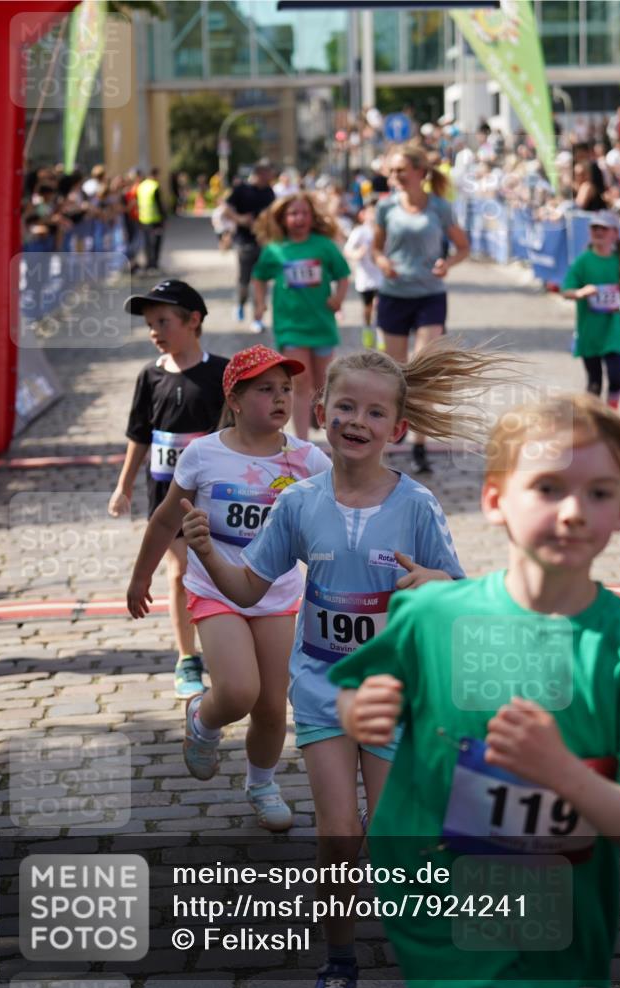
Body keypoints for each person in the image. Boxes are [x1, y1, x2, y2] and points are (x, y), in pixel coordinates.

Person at [180, 344, 510, 988]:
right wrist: (206, 554)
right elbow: (247, 590)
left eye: (375, 412)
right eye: (347, 407)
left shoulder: (414, 506)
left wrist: (434, 580)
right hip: (321, 686)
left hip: (389, 692)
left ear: (398, 430)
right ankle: (339, 962)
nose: (357, 420)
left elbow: (460, 589)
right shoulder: (298, 503)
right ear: (324, 413)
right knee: (338, 833)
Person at [333, 393, 620, 988]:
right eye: (549, 487)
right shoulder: (429, 614)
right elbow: (359, 689)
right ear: (495, 499)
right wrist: (359, 711)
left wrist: (564, 775)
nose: (575, 510)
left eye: (600, 492)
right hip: (436, 909)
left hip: (558, 923)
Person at [127, 345, 330, 830]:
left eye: (285, 389)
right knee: (238, 691)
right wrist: (141, 576)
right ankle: (203, 718)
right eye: (265, 390)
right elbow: (162, 520)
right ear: (235, 400)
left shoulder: (309, 460)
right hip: (215, 590)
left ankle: (262, 784)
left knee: (269, 705)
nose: (280, 399)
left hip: (277, 595)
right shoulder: (204, 454)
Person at [110, 280, 227, 698]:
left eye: (163, 321)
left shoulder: (222, 374)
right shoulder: (150, 376)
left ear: (193, 321)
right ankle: (186, 658)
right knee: (179, 573)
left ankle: (230, 645)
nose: (154, 331)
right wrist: (123, 487)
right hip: (165, 498)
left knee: (214, 572)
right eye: (148, 324)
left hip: (216, 498)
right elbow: (139, 434)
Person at [373, 142, 470, 473]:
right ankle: (395, 428)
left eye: (401, 170)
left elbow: (463, 246)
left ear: (419, 172)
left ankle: (419, 443)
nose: (396, 175)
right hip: (393, 294)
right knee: (396, 371)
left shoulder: (439, 208)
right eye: (392, 170)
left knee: (422, 368)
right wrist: (383, 262)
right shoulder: (385, 207)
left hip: (430, 294)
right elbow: (375, 247)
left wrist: (449, 263)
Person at [252, 192, 351, 440]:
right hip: (290, 325)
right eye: (293, 213)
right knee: (300, 381)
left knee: (323, 383)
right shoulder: (275, 249)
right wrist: (260, 304)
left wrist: (338, 298)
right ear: (283, 218)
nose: (299, 218)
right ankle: (301, 442)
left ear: (312, 216)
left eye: (304, 213)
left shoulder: (323, 245)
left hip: (321, 323)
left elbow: (343, 274)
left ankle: (317, 414)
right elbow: (259, 277)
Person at [561, 210, 620, 409]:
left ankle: (611, 416)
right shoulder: (583, 262)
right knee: (595, 383)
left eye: (604, 228)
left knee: (616, 378)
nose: (598, 231)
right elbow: (566, 291)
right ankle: (592, 421)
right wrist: (582, 292)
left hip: (612, 330)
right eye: (595, 228)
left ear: (614, 234)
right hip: (590, 331)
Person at [223, 159, 275, 332]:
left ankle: (258, 317)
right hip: (244, 242)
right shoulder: (241, 189)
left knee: (261, 282)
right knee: (244, 281)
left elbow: (273, 216)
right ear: (260, 173)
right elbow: (225, 209)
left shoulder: (269, 192)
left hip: (264, 243)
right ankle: (240, 302)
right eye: (268, 173)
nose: (271, 177)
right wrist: (240, 219)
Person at [344, 199, 383, 349]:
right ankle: (367, 328)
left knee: (379, 306)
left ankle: (381, 334)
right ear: (363, 215)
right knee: (368, 307)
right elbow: (348, 250)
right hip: (365, 278)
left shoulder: (383, 230)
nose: (374, 216)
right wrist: (357, 254)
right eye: (371, 212)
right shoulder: (360, 231)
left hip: (381, 277)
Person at [137, 167, 166, 274]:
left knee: (147, 243)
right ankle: (154, 263)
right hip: (155, 219)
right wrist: (164, 218)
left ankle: (148, 262)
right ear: (155, 175)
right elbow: (159, 204)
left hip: (143, 219)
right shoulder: (155, 186)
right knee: (156, 242)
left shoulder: (141, 186)